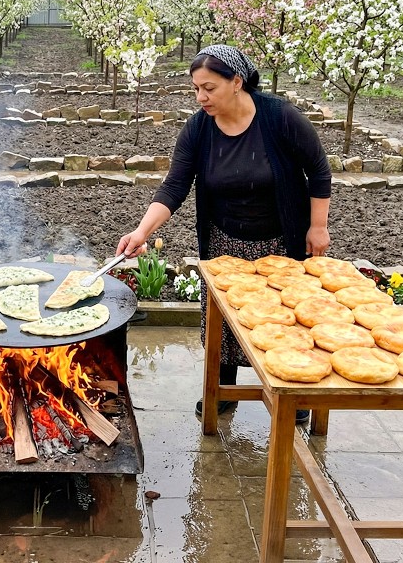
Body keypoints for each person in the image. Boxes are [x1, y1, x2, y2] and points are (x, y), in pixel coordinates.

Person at [115, 44, 331, 419]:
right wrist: (141, 231)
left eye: (209, 88)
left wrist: (318, 226)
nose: (201, 97)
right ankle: (224, 390)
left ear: (236, 82)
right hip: (225, 241)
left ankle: (295, 395)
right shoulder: (199, 128)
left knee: (287, 319)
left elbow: (319, 170)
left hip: (282, 239)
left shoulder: (280, 118)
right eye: (196, 88)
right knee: (225, 323)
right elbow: (175, 185)